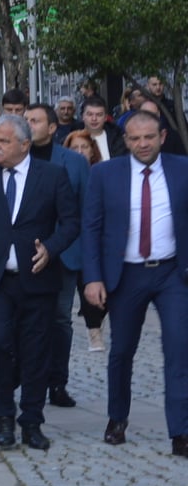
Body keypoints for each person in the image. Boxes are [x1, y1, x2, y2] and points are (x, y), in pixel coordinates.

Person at [0, 114, 80, 450]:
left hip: (36, 278)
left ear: (25, 144)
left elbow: (70, 223)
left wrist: (50, 249)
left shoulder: (52, 176)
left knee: (35, 351)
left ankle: (32, 421)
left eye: (4, 141)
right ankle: (3, 418)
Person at [80, 108, 188, 453]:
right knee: (122, 350)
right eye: (135, 138)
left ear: (162, 138)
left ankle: (181, 431)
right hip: (126, 273)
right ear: (125, 140)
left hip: (172, 273)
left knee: (179, 350)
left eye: (149, 138)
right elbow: (91, 228)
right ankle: (117, 417)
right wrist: (93, 278)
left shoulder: (182, 170)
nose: (143, 144)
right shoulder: (105, 174)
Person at [28, 104, 89, 411]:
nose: (29, 124)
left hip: (64, 253)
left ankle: (57, 382)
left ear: (52, 128)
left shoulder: (75, 162)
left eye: (35, 120)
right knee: (24, 319)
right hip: (25, 253)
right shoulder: (13, 156)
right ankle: (27, 378)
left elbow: (86, 211)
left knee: (60, 319)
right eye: (25, 120)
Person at [64, 128, 110, 352]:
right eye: (75, 148)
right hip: (71, 238)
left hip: (98, 236)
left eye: (85, 147)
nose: (80, 152)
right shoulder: (62, 172)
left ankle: (97, 324)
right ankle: (93, 332)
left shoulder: (103, 172)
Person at [79, 96, 126, 163]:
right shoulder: (71, 138)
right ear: (83, 116)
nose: (94, 119)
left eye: (99, 115)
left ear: (105, 117)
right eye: (90, 114)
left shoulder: (118, 139)